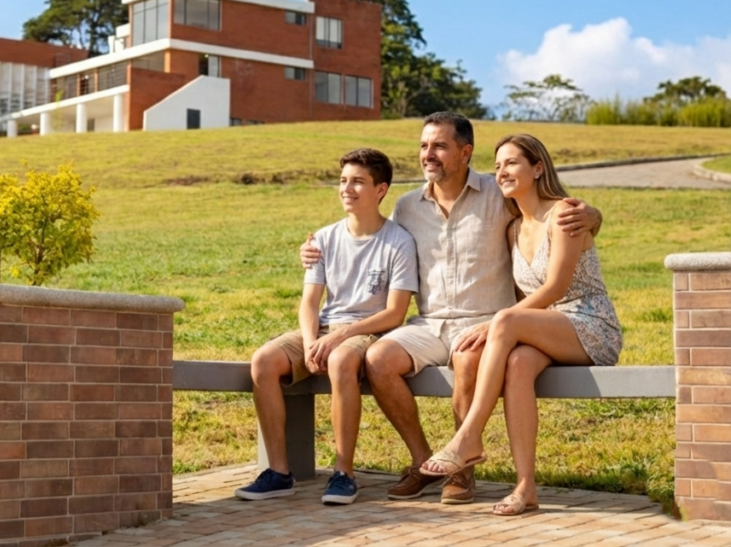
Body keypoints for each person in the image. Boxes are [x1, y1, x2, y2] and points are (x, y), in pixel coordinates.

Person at [299, 112, 601, 505]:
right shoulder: (407, 207)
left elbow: (546, 214)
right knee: (378, 360)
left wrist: (594, 216)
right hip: (428, 323)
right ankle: (423, 461)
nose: (429, 154)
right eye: (424, 145)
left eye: (440, 146)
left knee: (468, 359)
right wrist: (315, 249)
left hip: (485, 319)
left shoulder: (498, 193)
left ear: (465, 152)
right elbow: (372, 235)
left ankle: (461, 470)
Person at [419, 134, 622, 515]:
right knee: (517, 365)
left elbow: (556, 287)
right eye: (497, 166)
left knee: (506, 319)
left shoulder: (563, 213)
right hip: (546, 329)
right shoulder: (513, 228)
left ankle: (469, 436)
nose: (502, 172)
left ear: (538, 168)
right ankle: (526, 487)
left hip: (589, 324)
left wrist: (498, 324)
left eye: (512, 163)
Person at [236, 148, 419, 506]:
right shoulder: (323, 238)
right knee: (263, 361)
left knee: (340, 360)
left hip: (367, 330)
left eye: (358, 182)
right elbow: (309, 303)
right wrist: (309, 343)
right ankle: (278, 472)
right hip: (323, 329)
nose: (346, 189)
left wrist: (340, 336)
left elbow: (395, 314)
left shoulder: (399, 241)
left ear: (381, 190)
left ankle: (343, 473)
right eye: (343, 180)